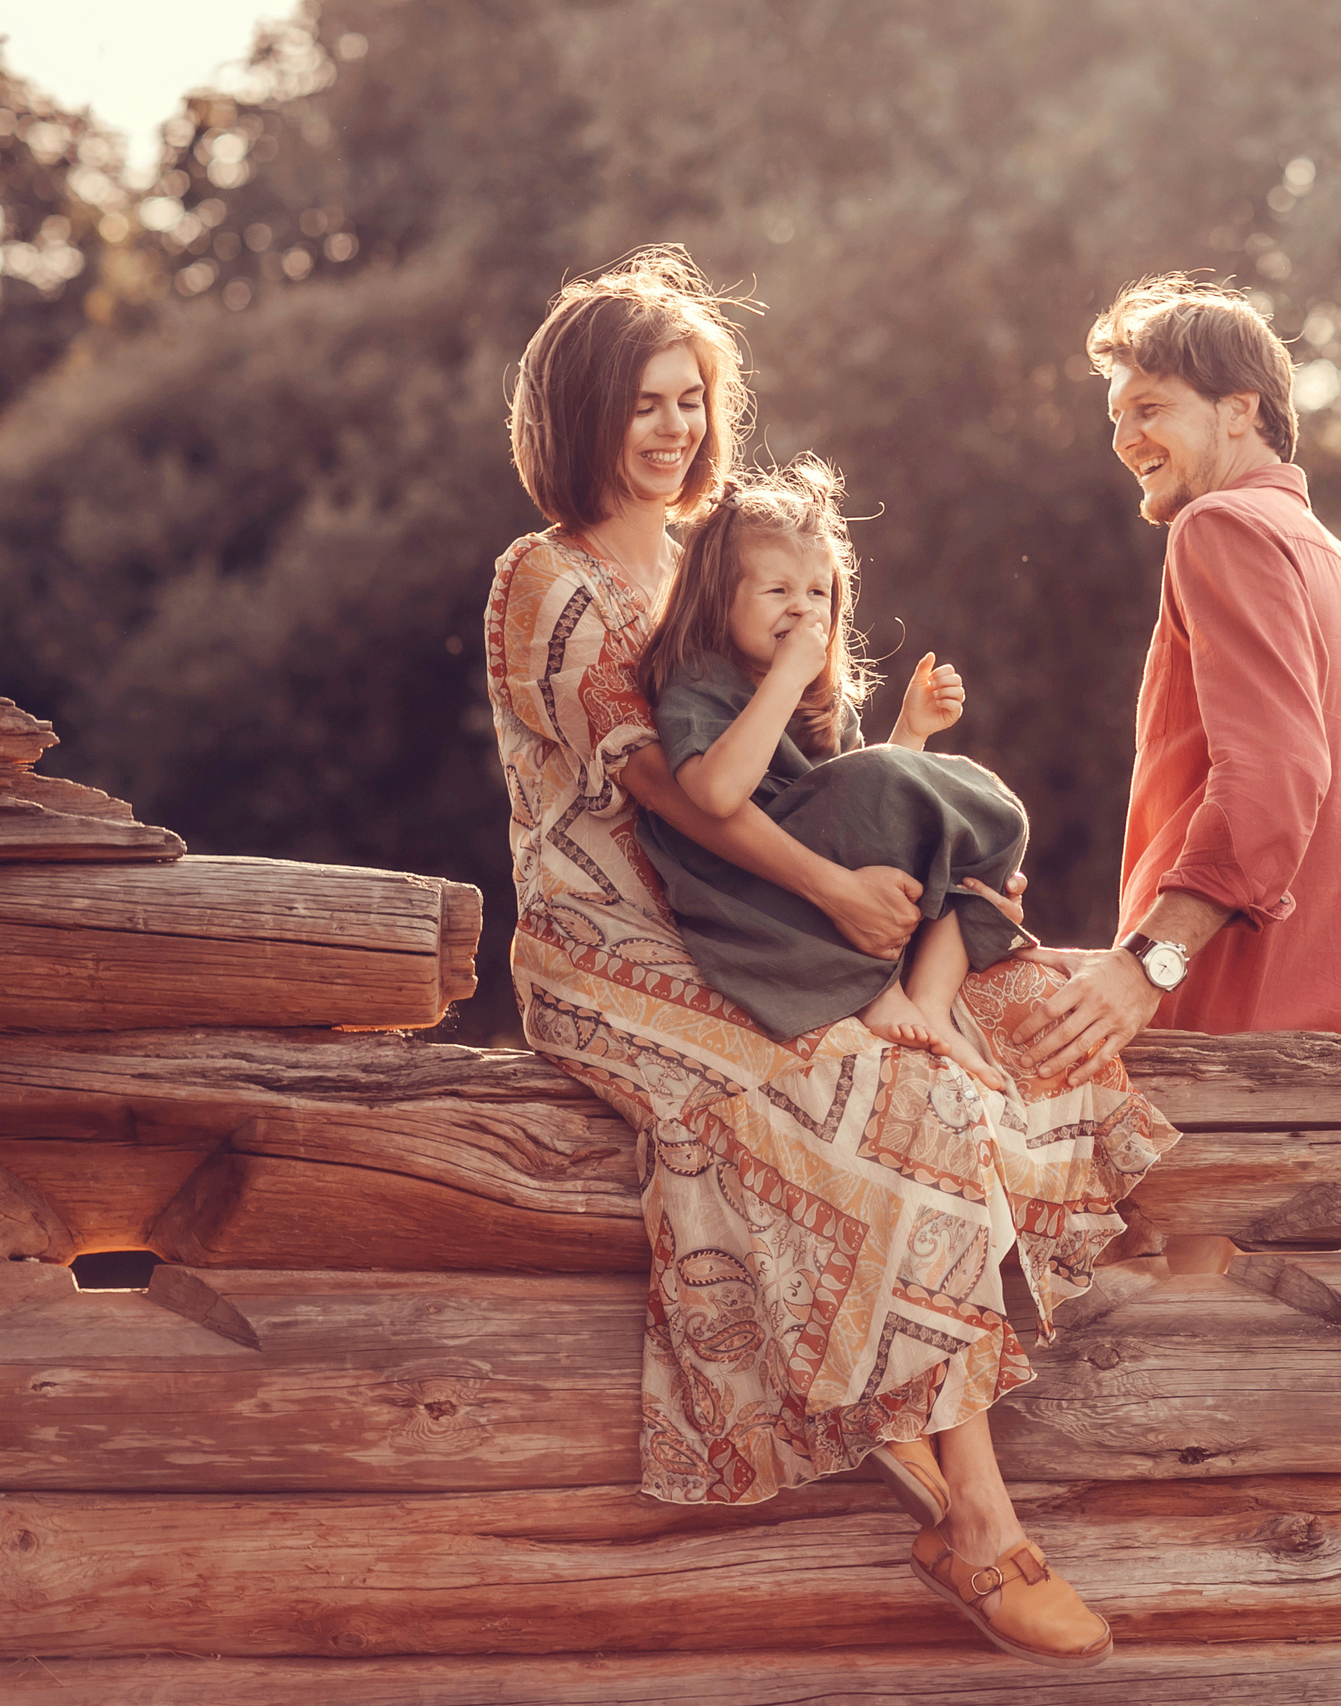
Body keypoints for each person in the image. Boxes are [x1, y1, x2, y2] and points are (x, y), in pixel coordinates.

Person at [487, 246, 1169, 1668]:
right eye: (642, 403)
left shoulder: (713, 560)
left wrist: (900, 810)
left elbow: (800, 767)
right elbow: (687, 798)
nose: (673, 429)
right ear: (579, 415)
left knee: (1011, 1014)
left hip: (773, 916)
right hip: (620, 944)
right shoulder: (545, 579)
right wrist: (848, 908)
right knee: (871, 1097)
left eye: (692, 398)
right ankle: (979, 1521)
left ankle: (1025, 1399)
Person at [1013, 273, 1341, 1086]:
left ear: (1240, 410)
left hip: (1220, 1035)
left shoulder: (1220, 525)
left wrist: (1143, 969)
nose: (1123, 438)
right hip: (1339, 1046)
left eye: (1151, 408)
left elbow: (1274, 781)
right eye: (1117, 416)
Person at [634, 454, 1029, 1092]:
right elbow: (715, 793)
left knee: (991, 820)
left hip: (829, 871)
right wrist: (788, 677)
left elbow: (866, 802)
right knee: (937, 803)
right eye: (777, 591)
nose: (802, 609)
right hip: (751, 893)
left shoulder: (821, 699)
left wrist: (911, 736)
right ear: (718, 599)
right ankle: (870, 990)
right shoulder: (700, 680)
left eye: (818, 592)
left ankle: (930, 995)